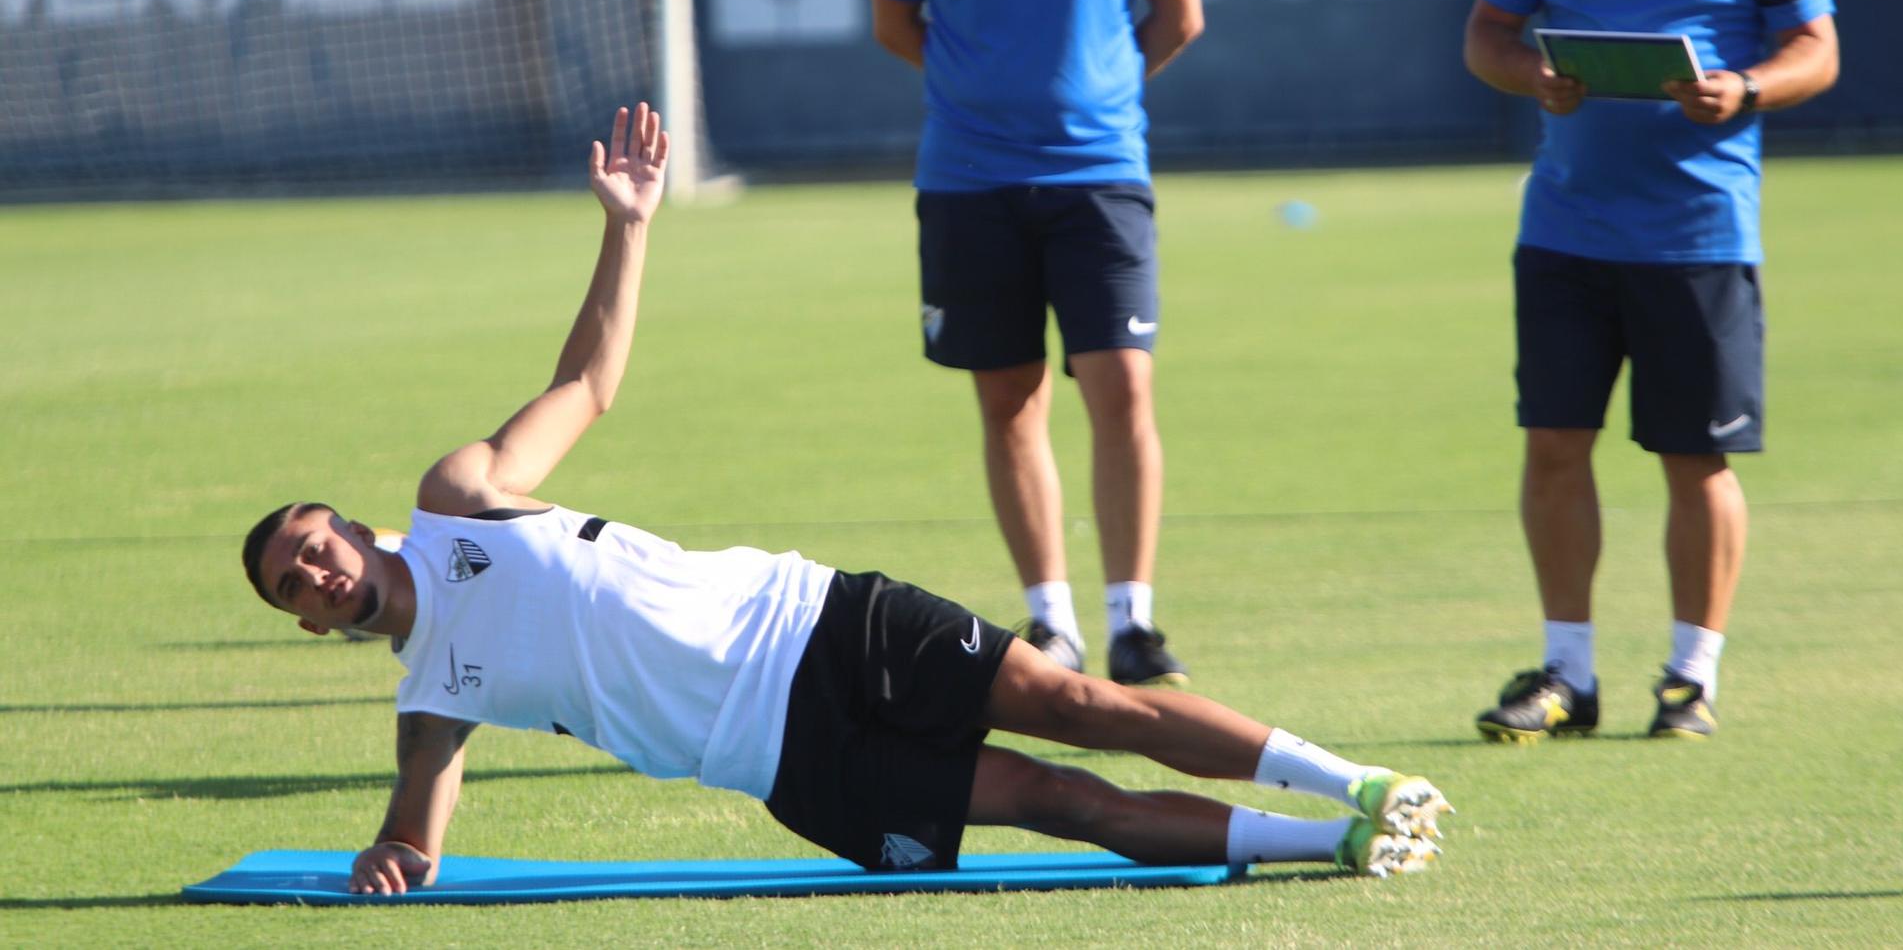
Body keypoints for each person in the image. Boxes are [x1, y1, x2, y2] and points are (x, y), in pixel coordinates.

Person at [239, 105, 1450, 893]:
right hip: (785, 757)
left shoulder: (459, 501)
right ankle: (1339, 846)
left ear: (351, 524)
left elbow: (586, 383)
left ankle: (1352, 782)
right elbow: (414, 839)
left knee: (1086, 701)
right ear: (304, 622)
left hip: (814, 620)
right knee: (1057, 802)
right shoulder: (426, 699)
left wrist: (628, 229)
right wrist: (391, 857)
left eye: (313, 543)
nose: (317, 571)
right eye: (295, 583)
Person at [1463, 0, 1839, 742]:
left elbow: (1816, 47)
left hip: (1696, 230)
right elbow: (1486, 34)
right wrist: (1532, 76)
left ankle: (1689, 673)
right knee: (1551, 446)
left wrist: (1745, 89)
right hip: (1566, 224)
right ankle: (1565, 674)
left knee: (1695, 458)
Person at [864, 0, 1206, 686]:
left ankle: (1132, 618)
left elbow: (1179, 15)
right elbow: (893, 20)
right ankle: (1050, 618)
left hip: (1098, 173)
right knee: (1007, 399)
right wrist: (980, 88)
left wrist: (1093, 90)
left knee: (1122, 386)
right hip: (969, 179)